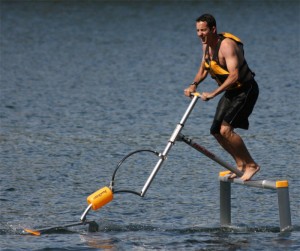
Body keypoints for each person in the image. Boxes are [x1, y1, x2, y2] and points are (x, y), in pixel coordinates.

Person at [184, 13, 260, 181]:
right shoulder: (206, 46)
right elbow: (204, 68)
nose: (200, 34)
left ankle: (252, 165)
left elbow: (234, 76)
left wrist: (213, 94)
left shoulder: (226, 46)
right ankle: (240, 165)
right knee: (215, 131)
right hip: (231, 92)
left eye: (203, 30)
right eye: (197, 31)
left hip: (245, 90)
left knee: (225, 130)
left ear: (213, 29)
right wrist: (193, 84)